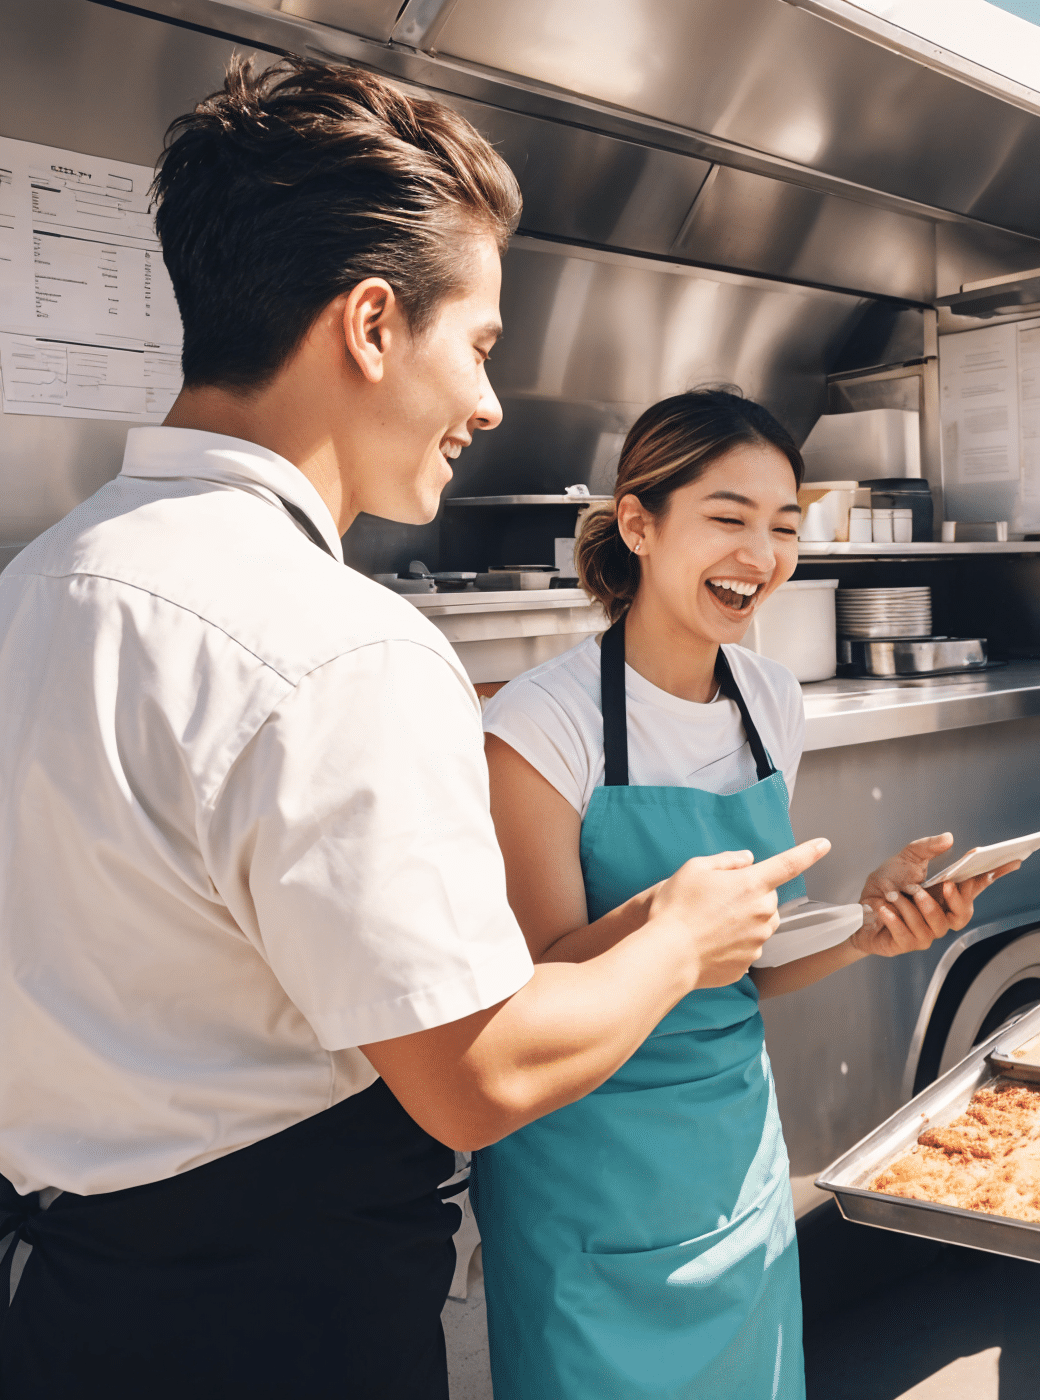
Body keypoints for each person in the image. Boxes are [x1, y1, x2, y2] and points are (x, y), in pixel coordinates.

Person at [0, 60, 826, 1398]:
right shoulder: (339, 645)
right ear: (373, 325)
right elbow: (476, 1071)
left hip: (63, 1301)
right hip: (274, 1324)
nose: (490, 405)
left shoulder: (32, 588)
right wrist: (678, 941)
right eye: (482, 345)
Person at [472, 388, 1013, 1398]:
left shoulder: (770, 699)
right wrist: (666, 923)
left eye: (782, 525)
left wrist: (866, 926)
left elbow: (740, 969)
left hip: (733, 1157)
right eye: (727, 518)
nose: (759, 555)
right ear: (638, 523)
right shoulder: (540, 725)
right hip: (585, 1176)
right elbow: (533, 986)